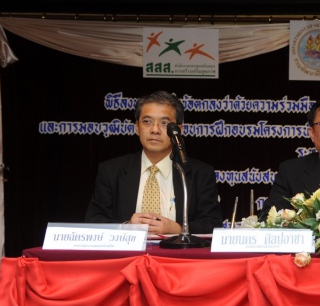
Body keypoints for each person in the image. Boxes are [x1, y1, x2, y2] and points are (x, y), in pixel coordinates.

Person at [86, 91, 223, 235]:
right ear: (137, 127)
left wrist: (178, 229)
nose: (155, 130)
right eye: (147, 122)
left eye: (164, 123)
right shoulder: (111, 171)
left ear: (178, 130)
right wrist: (127, 227)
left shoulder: (200, 173)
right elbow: (93, 220)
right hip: (128, 249)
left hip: (176, 249)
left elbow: (212, 223)